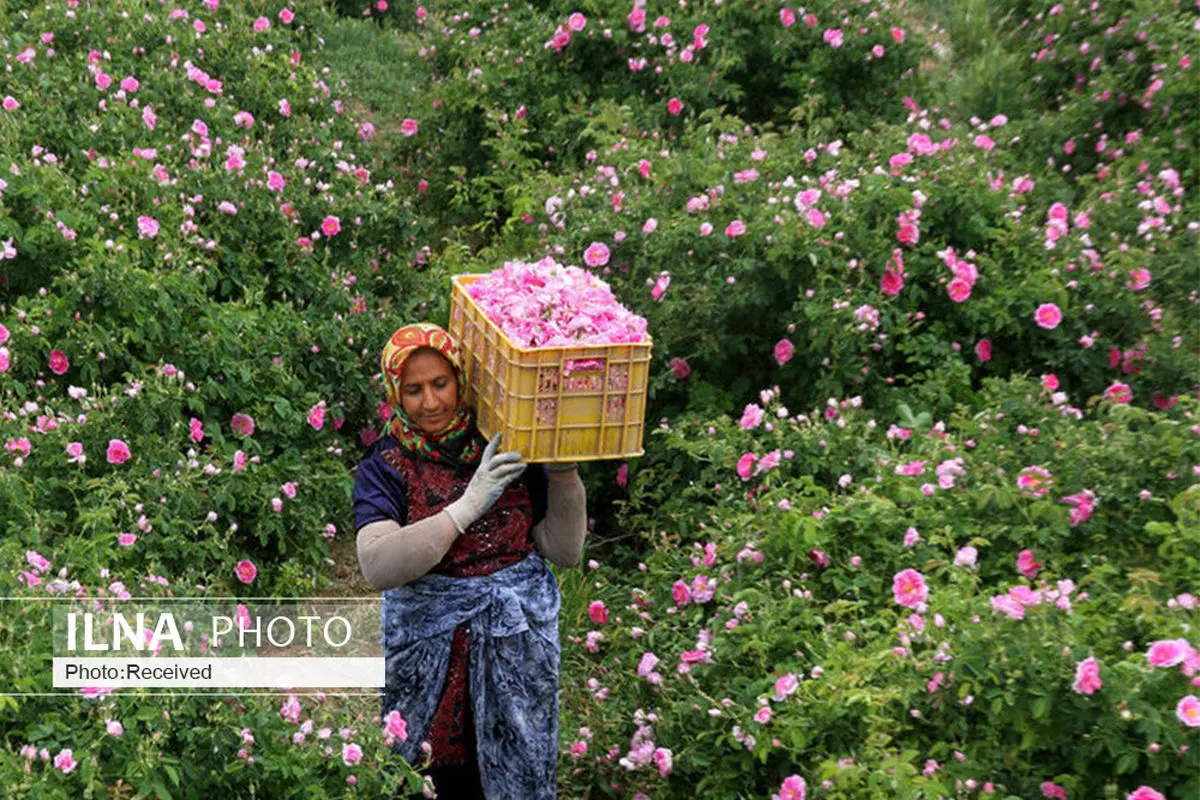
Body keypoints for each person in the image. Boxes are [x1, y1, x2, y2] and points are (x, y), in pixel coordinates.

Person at [353, 323, 587, 800]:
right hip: (430, 659)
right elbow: (377, 564)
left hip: (515, 648)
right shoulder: (385, 466)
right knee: (430, 776)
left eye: (440, 383)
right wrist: (466, 506)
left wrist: (564, 471)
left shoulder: (505, 445)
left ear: (462, 380)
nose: (431, 402)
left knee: (512, 771)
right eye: (413, 390)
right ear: (395, 393)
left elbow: (563, 550)